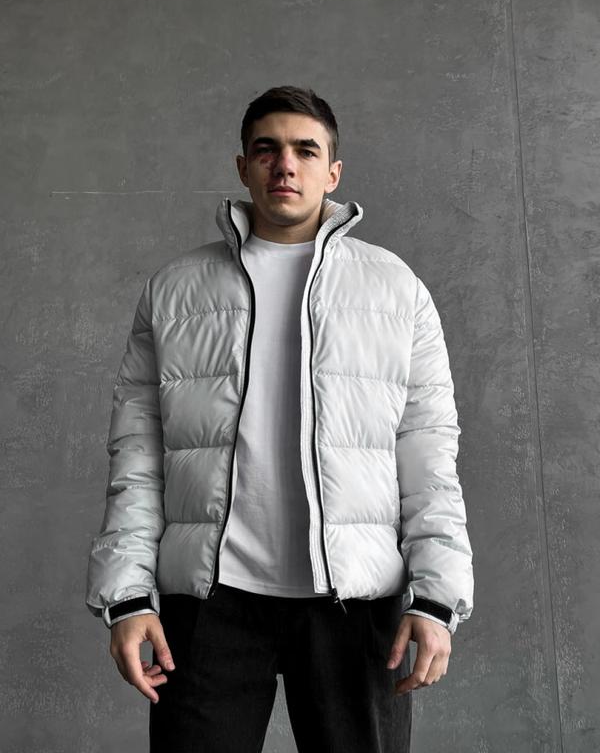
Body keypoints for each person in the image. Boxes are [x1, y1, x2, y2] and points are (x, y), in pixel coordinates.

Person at [86, 84, 474, 753]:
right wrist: (127, 598)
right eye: (267, 150)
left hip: (355, 603)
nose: (285, 165)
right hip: (209, 603)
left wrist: (437, 600)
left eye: (305, 150)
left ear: (333, 172)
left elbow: (429, 457)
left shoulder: (396, 290)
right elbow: (138, 456)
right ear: (243, 167)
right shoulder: (175, 290)